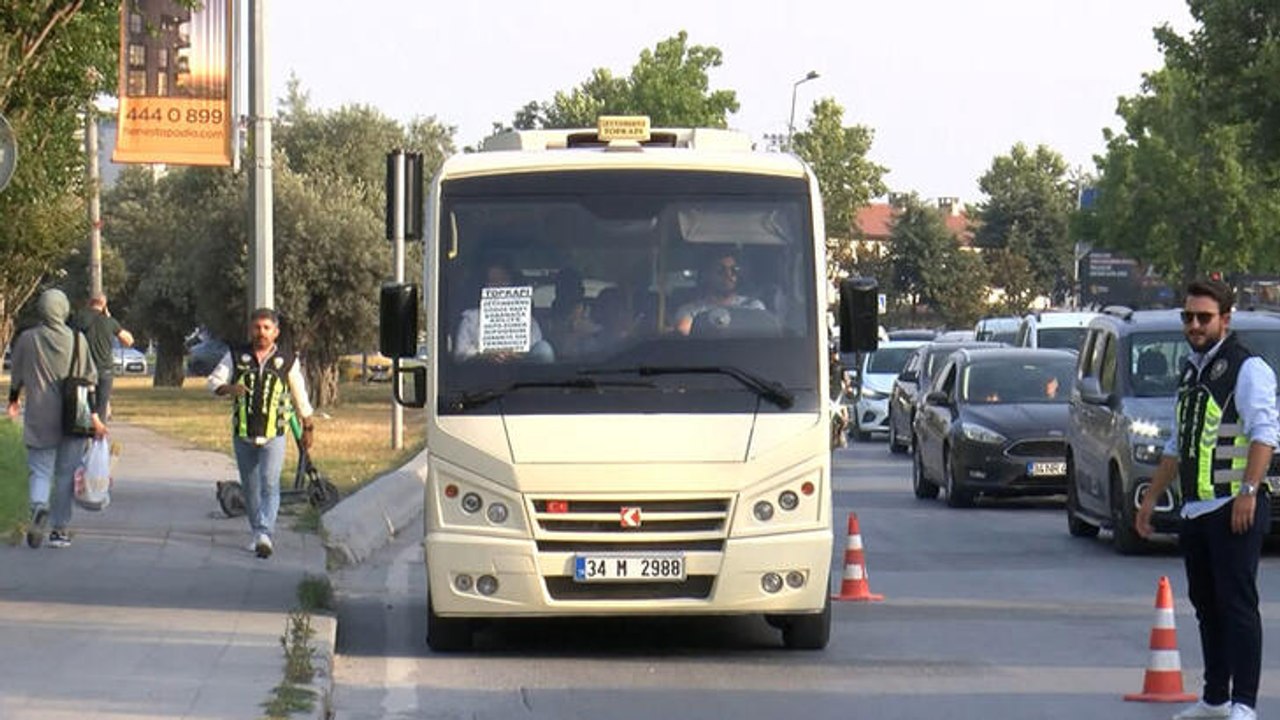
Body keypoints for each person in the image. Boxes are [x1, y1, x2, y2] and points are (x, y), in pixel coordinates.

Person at [1135, 279, 1279, 720]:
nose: (1194, 325)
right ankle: (1215, 697)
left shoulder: (1247, 367)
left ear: (1225, 320)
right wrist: (1150, 500)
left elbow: (1265, 435)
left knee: (1238, 606)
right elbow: (1180, 443)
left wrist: (1248, 493)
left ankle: (1245, 703)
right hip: (1196, 509)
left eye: (1204, 317)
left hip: (1234, 506)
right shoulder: (1191, 369)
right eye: (1188, 317)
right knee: (1206, 605)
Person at [206, 308, 316, 559]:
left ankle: (265, 532)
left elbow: (300, 395)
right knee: (251, 487)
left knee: (269, 482)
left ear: (276, 332)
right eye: (257, 327)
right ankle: (257, 532)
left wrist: (307, 426)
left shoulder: (286, 360)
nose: (261, 333)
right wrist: (229, 388)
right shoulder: (236, 356)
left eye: (267, 328)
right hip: (243, 432)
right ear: (250, 330)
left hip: (274, 433)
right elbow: (213, 382)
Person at [6, 288, 107, 549]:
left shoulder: (28, 339)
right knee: (65, 474)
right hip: (74, 417)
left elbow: (16, 373)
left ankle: (39, 508)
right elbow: (91, 381)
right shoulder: (78, 340)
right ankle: (59, 530)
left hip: (39, 416)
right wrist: (95, 418)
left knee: (40, 470)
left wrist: (14, 399)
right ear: (63, 309)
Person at [452, 257, 551, 362]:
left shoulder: (528, 320)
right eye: (493, 281)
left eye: (503, 280)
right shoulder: (470, 319)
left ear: (511, 283)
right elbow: (460, 353)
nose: (498, 286)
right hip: (481, 374)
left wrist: (518, 354)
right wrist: (485, 356)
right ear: (485, 285)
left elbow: (539, 353)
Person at [71, 293, 134, 420]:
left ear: (89, 303)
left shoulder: (80, 319)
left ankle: (85, 433)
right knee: (101, 406)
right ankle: (99, 433)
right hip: (105, 370)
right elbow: (129, 340)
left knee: (85, 406)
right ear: (104, 305)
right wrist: (109, 317)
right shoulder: (109, 322)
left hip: (85, 369)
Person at [673, 250, 765, 336]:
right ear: (706, 275)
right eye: (720, 270)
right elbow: (684, 333)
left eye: (734, 270)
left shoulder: (753, 307)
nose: (728, 275)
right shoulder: (691, 311)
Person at [542, 268, 599, 360]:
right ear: (557, 292)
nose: (568, 294)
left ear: (582, 291)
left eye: (571, 288)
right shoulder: (545, 324)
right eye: (563, 288)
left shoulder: (595, 321)